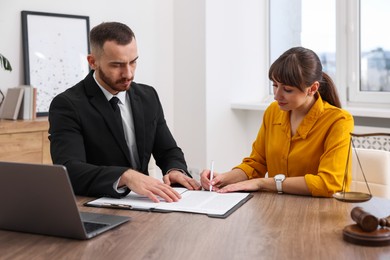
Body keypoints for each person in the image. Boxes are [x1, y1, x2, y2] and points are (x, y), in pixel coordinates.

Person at [49, 22, 200, 202]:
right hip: (96, 206)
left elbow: (168, 150)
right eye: (117, 65)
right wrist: (125, 176)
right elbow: (69, 170)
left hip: (147, 203)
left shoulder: (148, 96)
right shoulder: (67, 104)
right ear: (92, 62)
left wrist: (175, 170)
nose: (128, 73)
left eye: (133, 62)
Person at [201, 47, 354, 197]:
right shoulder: (273, 111)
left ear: (312, 88)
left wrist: (263, 183)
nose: (277, 95)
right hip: (277, 208)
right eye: (274, 85)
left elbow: (328, 183)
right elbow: (256, 164)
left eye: (287, 90)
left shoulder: (338, 121)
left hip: (320, 213)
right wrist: (222, 179)